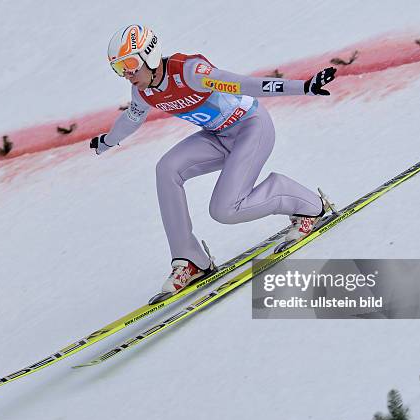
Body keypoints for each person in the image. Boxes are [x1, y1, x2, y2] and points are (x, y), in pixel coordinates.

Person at [91, 24, 336, 297]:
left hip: (251, 129)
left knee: (225, 210)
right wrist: (107, 141)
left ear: (149, 55)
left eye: (130, 64)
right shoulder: (142, 90)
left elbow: (245, 84)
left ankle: (309, 206)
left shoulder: (191, 72)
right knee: (167, 169)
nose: (126, 74)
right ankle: (190, 259)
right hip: (218, 136)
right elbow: (132, 119)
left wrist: (304, 87)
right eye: (118, 68)